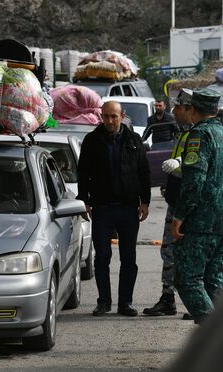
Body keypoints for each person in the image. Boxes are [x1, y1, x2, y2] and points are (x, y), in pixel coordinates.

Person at [77, 101, 151, 317]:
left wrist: (145, 201)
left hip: (129, 209)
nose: (109, 121)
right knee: (102, 257)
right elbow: (83, 173)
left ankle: (125, 303)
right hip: (102, 208)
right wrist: (85, 200)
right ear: (101, 116)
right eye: (106, 116)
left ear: (122, 116)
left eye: (113, 116)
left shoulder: (134, 140)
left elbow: (144, 173)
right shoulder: (92, 140)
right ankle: (104, 302)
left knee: (129, 259)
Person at [170, 88, 223, 325]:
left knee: (188, 279)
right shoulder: (221, 132)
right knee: (214, 279)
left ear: (193, 109)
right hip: (220, 220)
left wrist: (179, 215)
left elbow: (195, 181)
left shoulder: (199, 136)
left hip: (202, 220)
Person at [143, 89, 194, 318]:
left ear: (188, 109)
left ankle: (195, 303)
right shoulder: (184, 132)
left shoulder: (199, 134)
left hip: (189, 207)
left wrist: (179, 164)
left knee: (187, 254)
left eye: (177, 107)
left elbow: (198, 165)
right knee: (169, 252)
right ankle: (169, 298)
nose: (173, 111)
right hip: (177, 202)